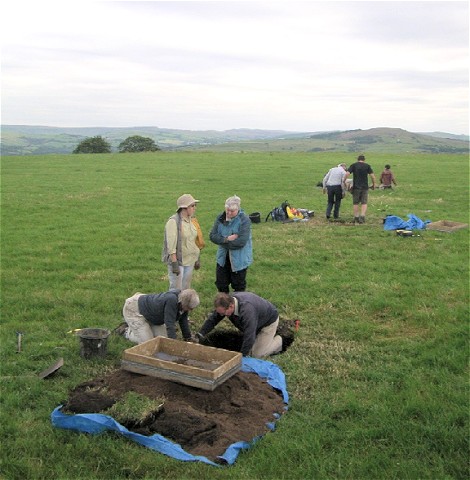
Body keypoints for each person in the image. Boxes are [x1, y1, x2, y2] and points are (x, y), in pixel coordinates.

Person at [196, 292, 283, 358]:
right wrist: (201, 333)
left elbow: (249, 336)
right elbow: (213, 319)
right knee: (252, 342)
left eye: (224, 313)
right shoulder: (226, 303)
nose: (222, 316)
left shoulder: (247, 311)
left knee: (257, 354)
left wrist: (241, 356)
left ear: (231, 306)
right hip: (255, 321)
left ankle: (279, 341)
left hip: (268, 323)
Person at [122, 289, 200, 344]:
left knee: (163, 339)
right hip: (134, 310)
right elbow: (170, 324)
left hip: (151, 315)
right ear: (184, 303)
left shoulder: (182, 303)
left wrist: (188, 338)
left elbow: (183, 321)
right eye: (190, 308)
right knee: (148, 342)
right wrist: (174, 344)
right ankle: (126, 331)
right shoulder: (172, 300)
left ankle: (143, 328)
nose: (191, 310)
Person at [209, 195, 253, 293]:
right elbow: (212, 236)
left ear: (238, 209)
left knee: (238, 285)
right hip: (223, 258)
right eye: (227, 210)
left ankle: (238, 305)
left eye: (232, 211)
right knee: (221, 284)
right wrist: (227, 239)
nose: (228, 213)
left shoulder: (244, 220)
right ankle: (224, 305)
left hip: (239, 259)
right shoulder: (220, 218)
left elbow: (241, 242)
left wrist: (221, 242)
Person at [162, 194, 204, 290]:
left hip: (190, 261)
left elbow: (195, 241)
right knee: (176, 290)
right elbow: (171, 246)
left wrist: (197, 258)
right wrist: (174, 263)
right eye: (192, 206)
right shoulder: (173, 222)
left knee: (186, 289)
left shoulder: (193, 220)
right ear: (184, 208)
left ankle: (184, 305)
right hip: (179, 262)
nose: (195, 208)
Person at [344, 154, 376, 224]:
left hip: (356, 187)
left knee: (355, 203)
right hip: (365, 187)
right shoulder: (367, 166)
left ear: (358, 159)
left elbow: (347, 174)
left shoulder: (354, 165)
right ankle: (362, 216)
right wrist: (374, 185)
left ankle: (356, 217)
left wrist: (344, 181)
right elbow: (373, 176)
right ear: (364, 160)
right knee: (364, 202)